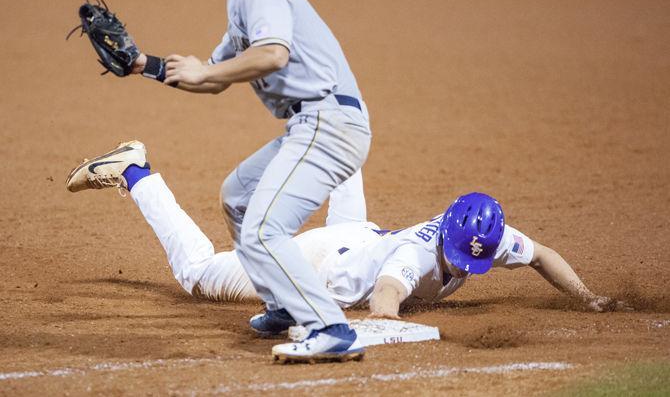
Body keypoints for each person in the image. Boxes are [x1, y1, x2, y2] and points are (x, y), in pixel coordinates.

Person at [87, 0, 373, 364]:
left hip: (328, 124)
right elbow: (214, 78)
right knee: (238, 196)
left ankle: (328, 327)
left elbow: (273, 55)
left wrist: (206, 71)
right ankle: (282, 305)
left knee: (263, 229)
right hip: (316, 124)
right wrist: (146, 64)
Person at [66, 141, 624, 356]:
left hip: (361, 238)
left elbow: (544, 254)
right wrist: (401, 324)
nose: (466, 266)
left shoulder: (485, 233)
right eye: (461, 256)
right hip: (320, 261)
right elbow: (384, 299)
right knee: (199, 274)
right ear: (452, 236)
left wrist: (586, 296)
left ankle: (329, 132)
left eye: (474, 259)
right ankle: (134, 169)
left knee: (346, 162)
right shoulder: (414, 262)